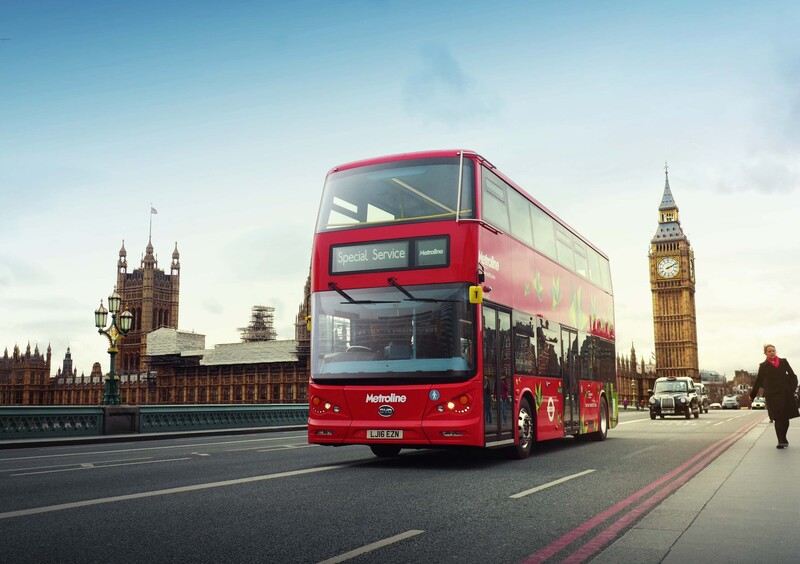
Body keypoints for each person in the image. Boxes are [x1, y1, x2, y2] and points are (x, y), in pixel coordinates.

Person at [750, 344, 800, 448]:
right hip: (772, 395)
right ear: (765, 353)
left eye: (773, 350)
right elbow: (759, 381)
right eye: (769, 351)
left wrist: (791, 388)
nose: (772, 352)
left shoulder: (783, 362)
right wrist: (752, 395)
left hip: (786, 394)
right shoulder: (763, 366)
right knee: (778, 418)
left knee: (785, 418)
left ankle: (784, 438)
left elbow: (792, 376)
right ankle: (780, 441)